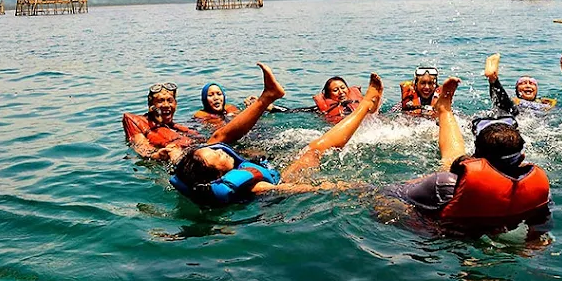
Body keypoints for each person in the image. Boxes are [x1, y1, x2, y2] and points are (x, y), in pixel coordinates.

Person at [166, 73, 384, 206]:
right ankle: (366, 104)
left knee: (217, 137)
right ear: (220, 174)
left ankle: (268, 95)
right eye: (216, 155)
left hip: (265, 166)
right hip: (284, 181)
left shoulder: (192, 175)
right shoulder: (253, 188)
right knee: (316, 148)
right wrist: (349, 187)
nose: (220, 150)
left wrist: (170, 152)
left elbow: (209, 145)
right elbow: (300, 190)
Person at [380, 76, 552, 237]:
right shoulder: (539, 187)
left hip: (443, 238)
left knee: (448, 167)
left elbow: (387, 194)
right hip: (493, 235)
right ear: (522, 157)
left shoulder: (446, 183)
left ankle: (444, 111)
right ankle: (445, 110)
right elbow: (540, 226)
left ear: (475, 156)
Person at [123, 63, 285, 160]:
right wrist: (156, 155)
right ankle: (267, 97)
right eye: (160, 101)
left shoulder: (177, 127)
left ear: (176, 104)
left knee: (258, 153)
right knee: (218, 137)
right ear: (150, 104)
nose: (166, 105)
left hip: (197, 152)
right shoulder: (136, 121)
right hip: (183, 158)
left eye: (170, 101)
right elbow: (141, 147)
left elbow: (197, 139)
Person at [483, 53, 556, 116]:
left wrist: (550, 105)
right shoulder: (515, 101)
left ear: (536, 90)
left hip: (538, 121)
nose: (528, 85)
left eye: (532, 83)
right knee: (507, 107)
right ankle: (493, 79)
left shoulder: (544, 103)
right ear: (517, 90)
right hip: (515, 116)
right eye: (523, 83)